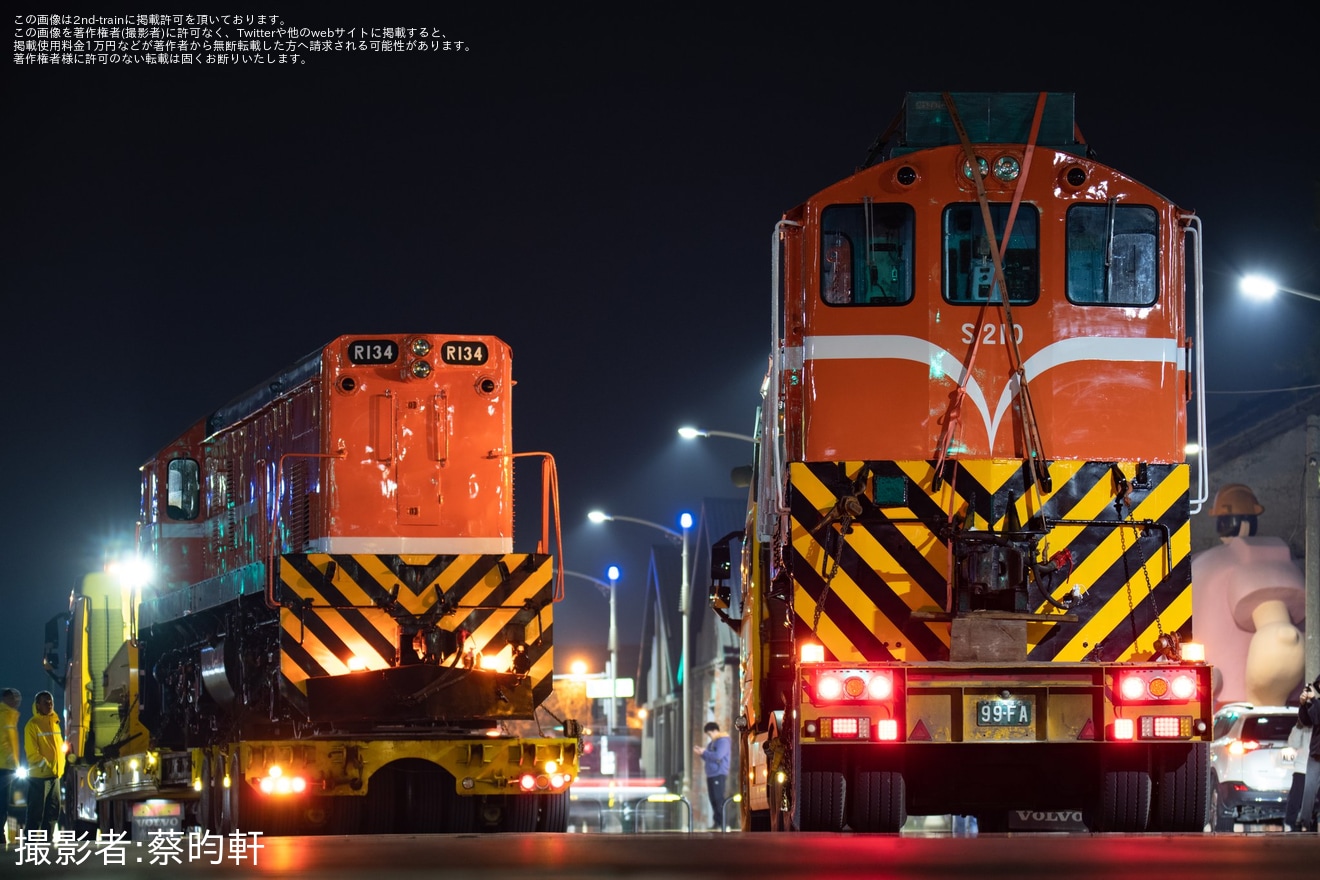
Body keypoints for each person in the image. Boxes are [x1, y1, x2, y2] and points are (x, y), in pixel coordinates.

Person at [23, 691, 64, 836]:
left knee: (52, 813)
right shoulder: (32, 725)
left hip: (55, 775)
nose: (49, 704)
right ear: (37, 705)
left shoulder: (55, 723)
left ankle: (47, 846)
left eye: (51, 701)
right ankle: (30, 847)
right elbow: (32, 753)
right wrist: (46, 765)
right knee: (36, 814)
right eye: (45, 702)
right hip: (39, 778)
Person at [693, 721, 730, 830]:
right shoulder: (712, 743)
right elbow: (709, 757)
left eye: (710, 734)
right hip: (711, 774)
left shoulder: (723, 741)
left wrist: (704, 752)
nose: (710, 736)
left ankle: (723, 823)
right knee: (713, 799)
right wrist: (701, 753)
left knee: (718, 799)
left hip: (719, 773)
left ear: (715, 730)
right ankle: (717, 822)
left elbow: (718, 756)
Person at [1284, 716, 1314, 831]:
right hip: (1302, 768)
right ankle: (1289, 823)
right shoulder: (1303, 726)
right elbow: (1293, 744)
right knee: (1296, 798)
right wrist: (1298, 727)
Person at [1298, 679, 1320, 832]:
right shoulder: (1317, 703)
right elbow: (1307, 721)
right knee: (1309, 789)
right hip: (1316, 753)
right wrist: (1303, 705)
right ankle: (1305, 822)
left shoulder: (1317, 703)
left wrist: (1312, 701)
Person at [0, 689, 20, 844]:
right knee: (2, 801)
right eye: (13, 698)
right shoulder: (3, 715)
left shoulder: (10, 716)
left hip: (7, 766)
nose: (17, 701)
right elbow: (4, 742)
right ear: (6, 698)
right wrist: (11, 760)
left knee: (4, 802)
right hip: (3, 767)